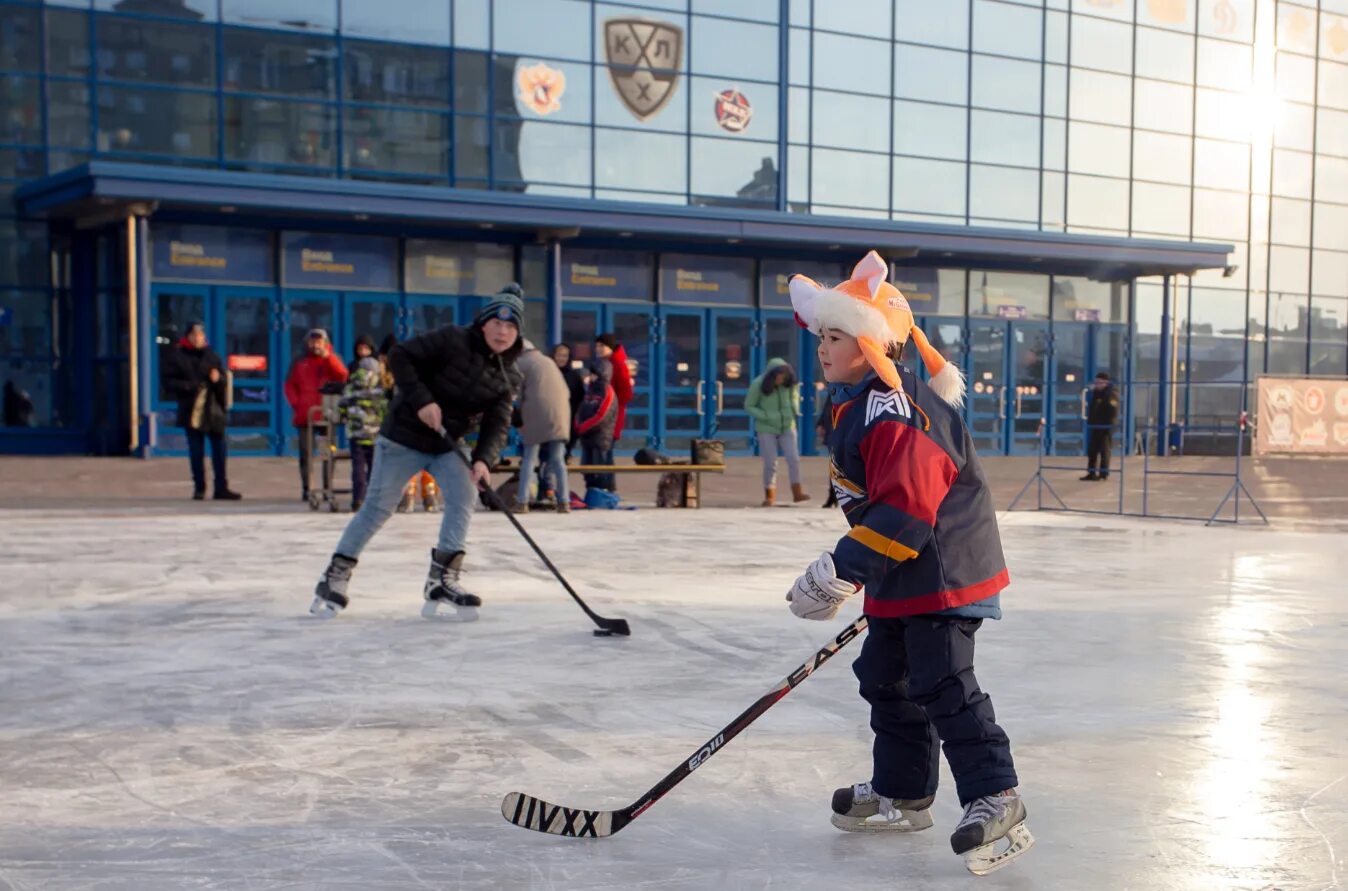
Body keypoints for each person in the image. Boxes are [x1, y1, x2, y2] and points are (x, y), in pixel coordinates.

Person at [785, 252, 1032, 877]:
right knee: (884, 676)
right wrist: (859, 566)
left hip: (944, 570)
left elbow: (907, 506)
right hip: (904, 570)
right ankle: (905, 791)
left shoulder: (895, 409)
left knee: (942, 679)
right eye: (820, 335)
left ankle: (996, 793)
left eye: (835, 335)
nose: (823, 346)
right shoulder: (859, 403)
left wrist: (842, 569)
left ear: (870, 341)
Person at [310, 284, 525, 621]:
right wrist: (423, 401)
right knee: (379, 507)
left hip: (447, 445)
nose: (503, 331)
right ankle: (335, 575)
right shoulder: (452, 338)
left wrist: (484, 460)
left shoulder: (508, 376)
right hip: (404, 438)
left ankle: (442, 578)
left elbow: (498, 424)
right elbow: (400, 356)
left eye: (511, 326)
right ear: (483, 323)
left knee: (463, 494)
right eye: (497, 323)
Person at [161, 322, 241, 501]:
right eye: (195, 335)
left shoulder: (212, 356)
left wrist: (218, 379)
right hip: (192, 409)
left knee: (219, 450)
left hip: (213, 410)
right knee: (196, 451)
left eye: (201, 335)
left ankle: (221, 487)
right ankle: (199, 488)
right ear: (188, 336)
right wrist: (189, 386)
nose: (198, 338)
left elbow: (223, 382)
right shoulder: (177, 356)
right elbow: (168, 383)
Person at [284, 329, 348, 501]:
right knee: (305, 453)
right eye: (312, 341)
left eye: (319, 341)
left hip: (327, 413)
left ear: (325, 342)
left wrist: (329, 357)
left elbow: (343, 376)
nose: (315, 345)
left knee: (329, 452)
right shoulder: (299, 361)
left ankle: (328, 487)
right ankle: (307, 488)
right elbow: (289, 385)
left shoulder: (333, 359)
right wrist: (296, 404)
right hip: (305, 414)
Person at [513, 340, 572, 513]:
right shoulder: (548, 362)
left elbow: (516, 394)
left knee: (529, 458)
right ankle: (564, 501)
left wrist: (517, 417)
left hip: (536, 415)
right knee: (558, 460)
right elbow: (565, 391)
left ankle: (522, 501)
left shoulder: (520, 363)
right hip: (560, 415)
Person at [744, 357, 809, 507]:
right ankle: (770, 494)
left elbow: (794, 396)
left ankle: (797, 492)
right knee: (771, 462)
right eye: (778, 376)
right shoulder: (758, 384)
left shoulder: (790, 384)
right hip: (767, 428)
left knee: (794, 459)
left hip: (787, 426)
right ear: (772, 375)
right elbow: (749, 405)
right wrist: (766, 416)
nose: (781, 378)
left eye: (784, 375)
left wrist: (794, 408)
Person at [339, 356, 388, 511]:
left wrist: (345, 417)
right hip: (375, 434)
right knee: (375, 469)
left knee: (358, 468)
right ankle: (373, 501)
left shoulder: (351, 387)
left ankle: (358, 499)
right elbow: (385, 410)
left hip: (356, 434)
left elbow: (342, 406)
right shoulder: (379, 389)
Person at [575, 357, 618, 499]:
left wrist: (584, 427)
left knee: (600, 470)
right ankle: (592, 494)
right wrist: (578, 424)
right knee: (588, 470)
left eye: (594, 373)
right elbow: (581, 409)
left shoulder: (607, 391)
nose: (591, 376)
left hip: (600, 439)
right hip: (587, 438)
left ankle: (602, 496)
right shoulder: (591, 391)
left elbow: (601, 416)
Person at [595, 333, 634, 447]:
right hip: (604, 416)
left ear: (610, 347)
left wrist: (610, 406)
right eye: (597, 346)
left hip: (610, 418)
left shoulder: (618, 364)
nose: (598, 349)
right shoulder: (605, 363)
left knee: (604, 455)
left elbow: (626, 393)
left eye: (602, 346)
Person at [1081, 371, 1120, 482]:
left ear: (1106, 383)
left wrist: (1103, 393)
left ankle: (1103, 473)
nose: (1097, 384)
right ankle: (1091, 472)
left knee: (1104, 450)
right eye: (1096, 382)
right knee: (1092, 450)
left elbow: (1112, 409)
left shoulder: (1111, 393)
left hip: (1106, 426)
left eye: (1099, 382)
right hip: (1096, 425)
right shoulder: (1096, 393)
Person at [552, 343, 585, 458]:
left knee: (563, 451)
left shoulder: (574, 376)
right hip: (550, 418)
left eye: (565, 356)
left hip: (568, 418)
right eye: (559, 355)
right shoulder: (547, 373)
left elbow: (580, 396)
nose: (561, 358)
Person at [815, 387, 837, 508]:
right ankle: (832, 495)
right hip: (832, 430)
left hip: (846, 429)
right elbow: (827, 406)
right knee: (834, 465)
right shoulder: (835, 385)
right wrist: (821, 423)